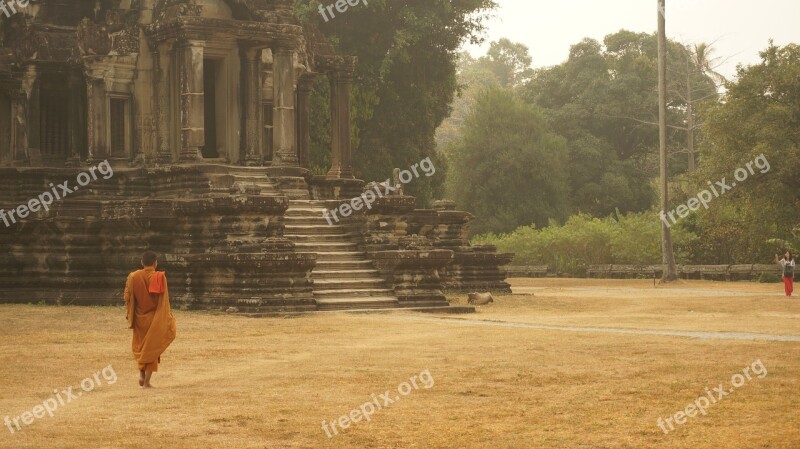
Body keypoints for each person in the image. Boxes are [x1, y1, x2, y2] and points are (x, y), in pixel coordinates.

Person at [123, 251, 177, 388]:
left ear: (142, 262)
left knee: (142, 347)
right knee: (152, 348)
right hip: (155, 318)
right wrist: (167, 317)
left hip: (140, 318)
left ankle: (141, 373)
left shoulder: (133, 277)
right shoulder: (159, 277)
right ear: (155, 263)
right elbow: (163, 300)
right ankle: (146, 382)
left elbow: (127, 296)